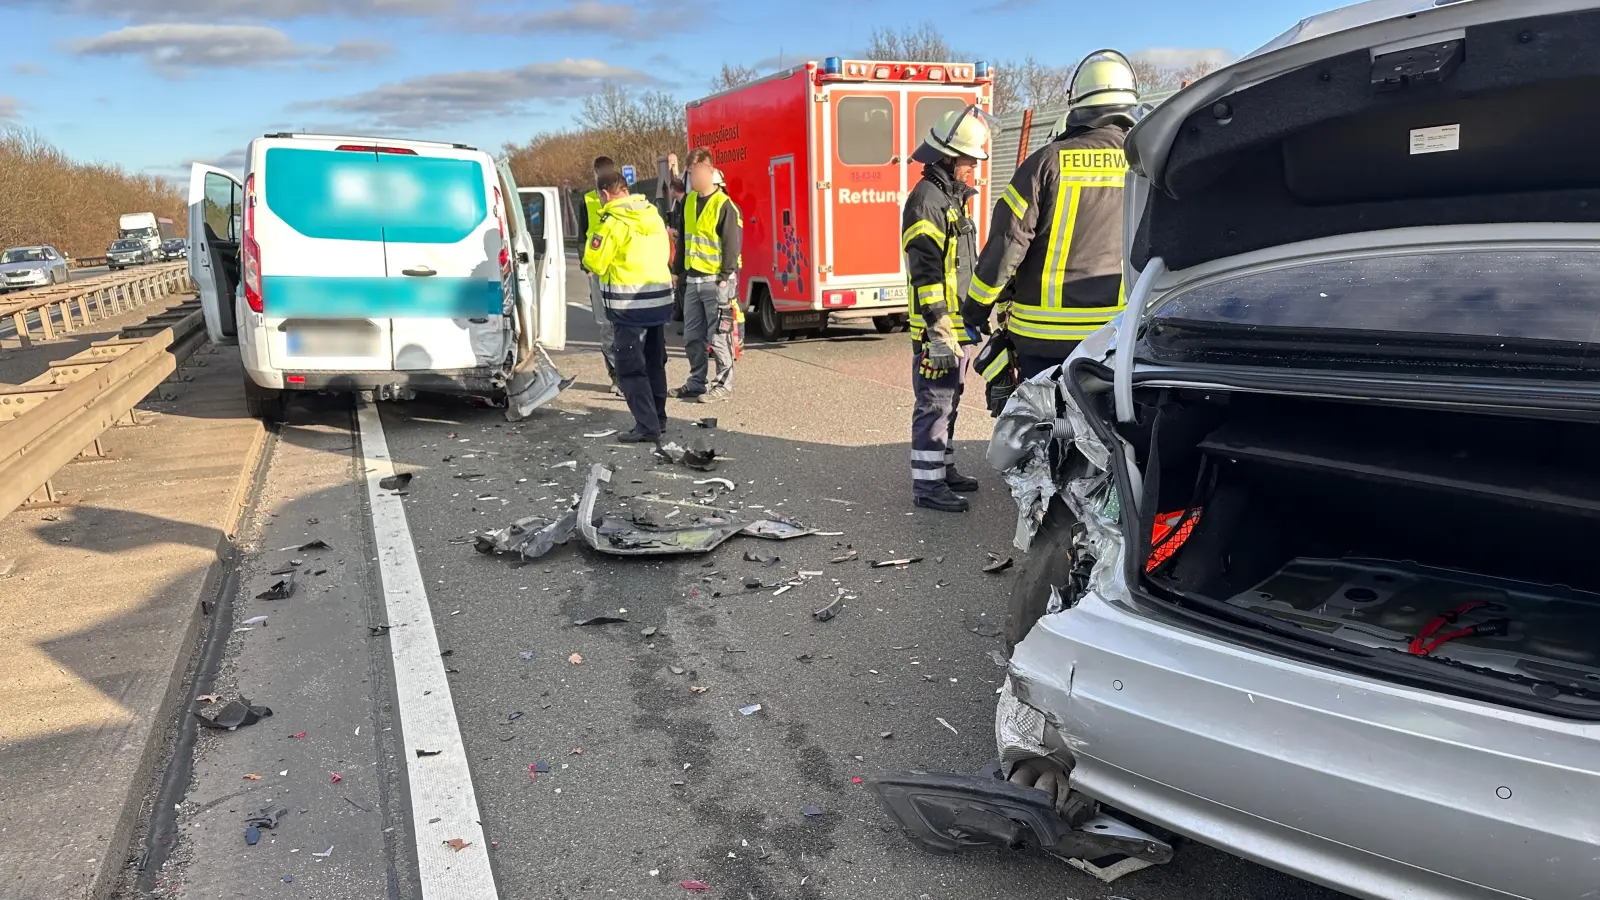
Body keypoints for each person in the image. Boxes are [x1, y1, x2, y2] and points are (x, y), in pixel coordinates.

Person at [961, 49, 1139, 379]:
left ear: (1078, 105)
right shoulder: (1147, 165)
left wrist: (975, 309)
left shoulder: (1046, 163)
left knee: (1042, 411)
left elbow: (1007, 243)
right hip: (1117, 334)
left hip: (1044, 340)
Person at [903, 104, 994, 513]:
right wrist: (938, 327)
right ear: (948, 158)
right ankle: (928, 486)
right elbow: (925, 273)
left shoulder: (949, 199)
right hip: (937, 329)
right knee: (935, 404)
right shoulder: (926, 202)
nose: (974, 168)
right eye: (969, 160)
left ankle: (943, 469)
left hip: (957, 326)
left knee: (949, 401)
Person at [581, 169, 675, 443]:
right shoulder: (652, 214)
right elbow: (666, 251)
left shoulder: (612, 221)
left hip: (628, 306)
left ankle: (647, 426)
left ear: (605, 194)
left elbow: (594, 262)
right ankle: (658, 418)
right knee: (655, 362)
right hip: (659, 301)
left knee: (630, 367)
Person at [669, 150, 742, 404]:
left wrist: (725, 276)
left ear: (710, 171)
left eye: (696, 173)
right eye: (690, 173)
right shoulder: (689, 202)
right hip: (693, 280)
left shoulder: (723, 204)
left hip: (716, 281)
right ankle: (696, 382)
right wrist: (677, 270)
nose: (693, 178)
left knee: (719, 336)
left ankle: (722, 384)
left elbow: (731, 244)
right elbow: (683, 240)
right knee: (691, 336)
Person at [576, 155, 622, 395]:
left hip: (621, 269)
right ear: (594, 174)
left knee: (624, 323)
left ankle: (630, 373)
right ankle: (615, 374)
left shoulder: (624, 197)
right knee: (605, 326)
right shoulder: (587, 200)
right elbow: (582, 235)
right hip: (597, 270)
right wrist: (586, 266)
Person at [666, 177, 687, 335]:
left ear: (673, 189)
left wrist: (675, 234)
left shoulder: (685, 204)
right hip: (686, 256)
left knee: (684, 289)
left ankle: (688, 324)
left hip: (686, 257)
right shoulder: (682, 204)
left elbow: (685, 232)